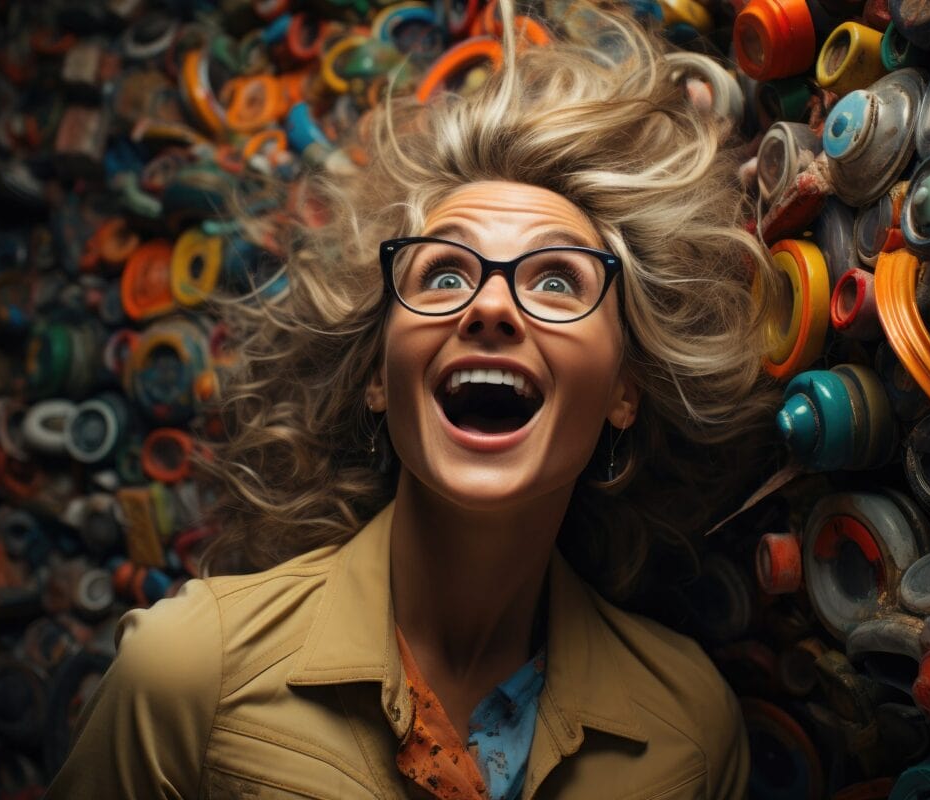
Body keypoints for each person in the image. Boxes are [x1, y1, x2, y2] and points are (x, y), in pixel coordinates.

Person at [44, 1, 779, 797]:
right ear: (374, 375)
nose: (491, 307)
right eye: (447, 274)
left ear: (624, 393)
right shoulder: (189, 672)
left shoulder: (692, 734)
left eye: (559, 279)